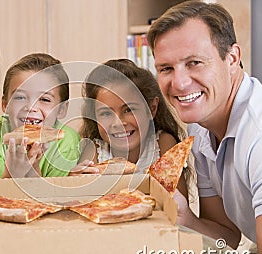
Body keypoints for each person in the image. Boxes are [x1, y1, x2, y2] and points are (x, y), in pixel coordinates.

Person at [147, 0, 262, 254]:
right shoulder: (201, 127)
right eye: (166, 68)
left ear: (232, 58)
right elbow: (226, 236)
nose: (180, 82)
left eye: (194, 62)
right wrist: (183, 215)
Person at [70, 59, 193, 200]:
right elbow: (83, 200)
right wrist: (75, 182)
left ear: (151, 109)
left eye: (129, 110)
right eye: (106, 113)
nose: (118, 123)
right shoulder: (94, 150)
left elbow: (179, 205)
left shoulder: (163, 144)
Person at [0, 53, 81, 178]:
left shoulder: (67, 140)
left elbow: (54, 195)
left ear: (61, 109)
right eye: (20, 97)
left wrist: (33, 169)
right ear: (5, 104)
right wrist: (13, 174)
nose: (31, 107)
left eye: (45, 99)